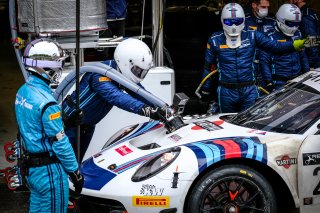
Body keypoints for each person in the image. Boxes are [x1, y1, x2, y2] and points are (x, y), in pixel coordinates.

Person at [62, 38, 171, 161]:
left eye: (142, 71)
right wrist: (148, 111)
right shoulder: (99, 75)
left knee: (76, 165)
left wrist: (164, 107)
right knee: (64, 167)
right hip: (68, 126)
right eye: (137, 70)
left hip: (86, 127)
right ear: (125, 62)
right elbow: (118, 97)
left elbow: (140, 93)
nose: (139, 73)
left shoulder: (119, 73)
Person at [15, 39, 83, 213]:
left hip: (32, 171)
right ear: (44, 67)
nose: (59, 69)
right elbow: (60, 142)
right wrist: (75, 172)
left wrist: (63, 121)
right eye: (57, 64)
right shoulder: (47, 103)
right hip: (49, 174)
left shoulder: (23, 92)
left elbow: (34, 126)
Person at [200, 2, 306, 113]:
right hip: (226, 91)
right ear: (222, 21)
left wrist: (299, 44)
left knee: (250, 124)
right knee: (227, 122)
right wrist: (205, 91)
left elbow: (276, 46)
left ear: (243, 20)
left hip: (249, 89)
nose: (234, 26)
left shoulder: (252, 35)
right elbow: (209, 67)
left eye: (237, 21)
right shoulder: (215, 39)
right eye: (229, 22)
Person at [260, 4, 310, 92]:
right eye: (290, 23)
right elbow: (264, 62)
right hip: (279, 83)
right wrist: (269, 83)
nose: (294, 27)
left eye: (296, 24)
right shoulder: (269, 37)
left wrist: (307, 74)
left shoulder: (298, 34)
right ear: (280, 19)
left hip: (297, 81)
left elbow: (303, 56)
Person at [245, 0, 276, 89]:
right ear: (254, 5)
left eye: (267, 7)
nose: (266, 9)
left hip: (268, 65)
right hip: (250, 65)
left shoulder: (272, 21)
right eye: (263, 7)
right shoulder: (244, 21)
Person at [289, 0, 320, 69]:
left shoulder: (305, 15)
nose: (290, 2)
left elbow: (312, 40)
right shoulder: (307, 11)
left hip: (311, 60)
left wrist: (312, 63)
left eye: (291, 0)